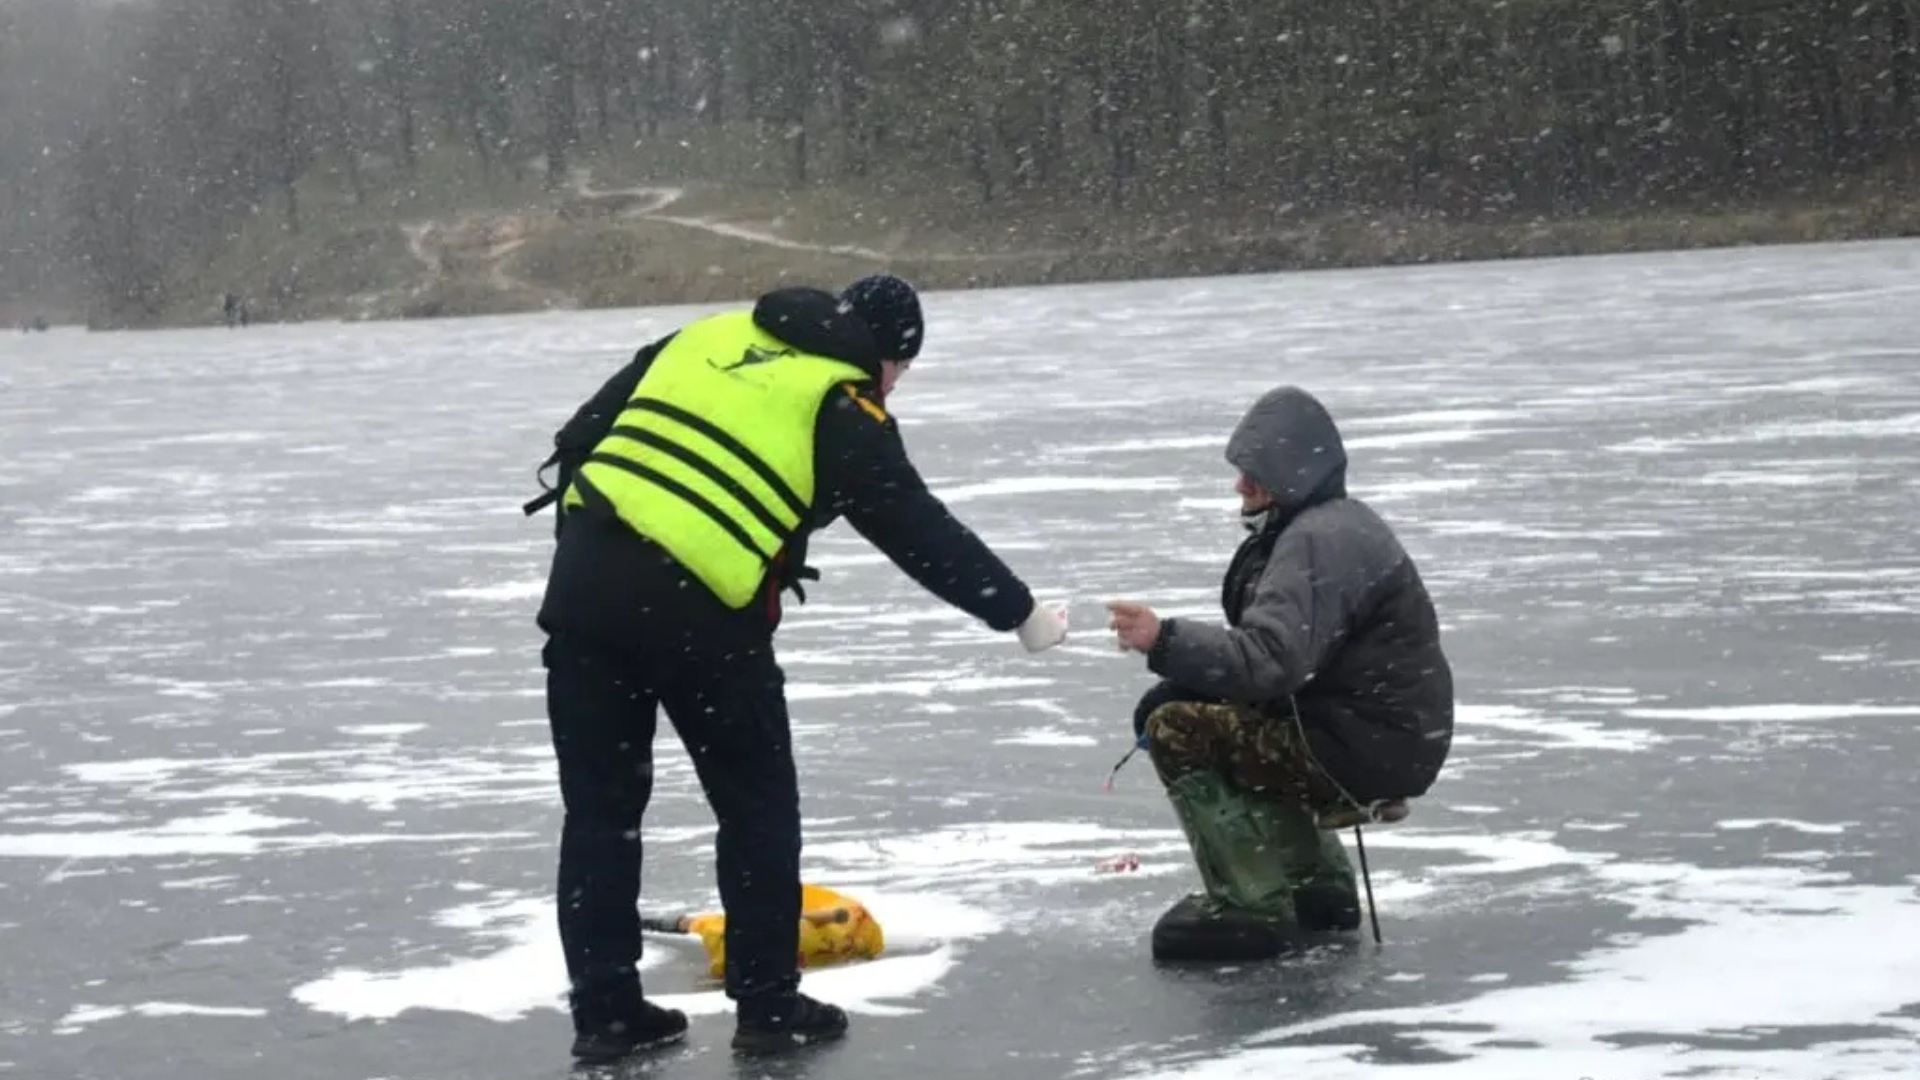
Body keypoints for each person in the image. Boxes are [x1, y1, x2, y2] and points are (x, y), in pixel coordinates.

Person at [528, 274, 1069, 1062]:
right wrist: (1021, 612)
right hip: (702, 616)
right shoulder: (839, 406)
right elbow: (919, 531)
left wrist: (609, 549)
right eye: (900, 370)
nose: (895, 386)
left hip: (583, 598)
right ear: (885, 357)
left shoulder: (703, 336)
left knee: (601, 816)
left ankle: (608, 1015)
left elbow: (581, 436)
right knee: (757, 810)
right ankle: (767, 1005)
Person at [1104, 385, 1452, 960]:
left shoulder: (1316, 540)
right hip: (1383, 739)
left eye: (1255, 474)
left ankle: (1252, 903)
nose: (1241, 485)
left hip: (1356, 748)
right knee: (1221, 717)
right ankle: (1320, 888)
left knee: (1177, 727)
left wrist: (1160, 639)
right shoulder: (1340, 525)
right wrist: (1188, 674)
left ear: (1291, 476)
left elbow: (1270, 661)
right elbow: (1287, 667)